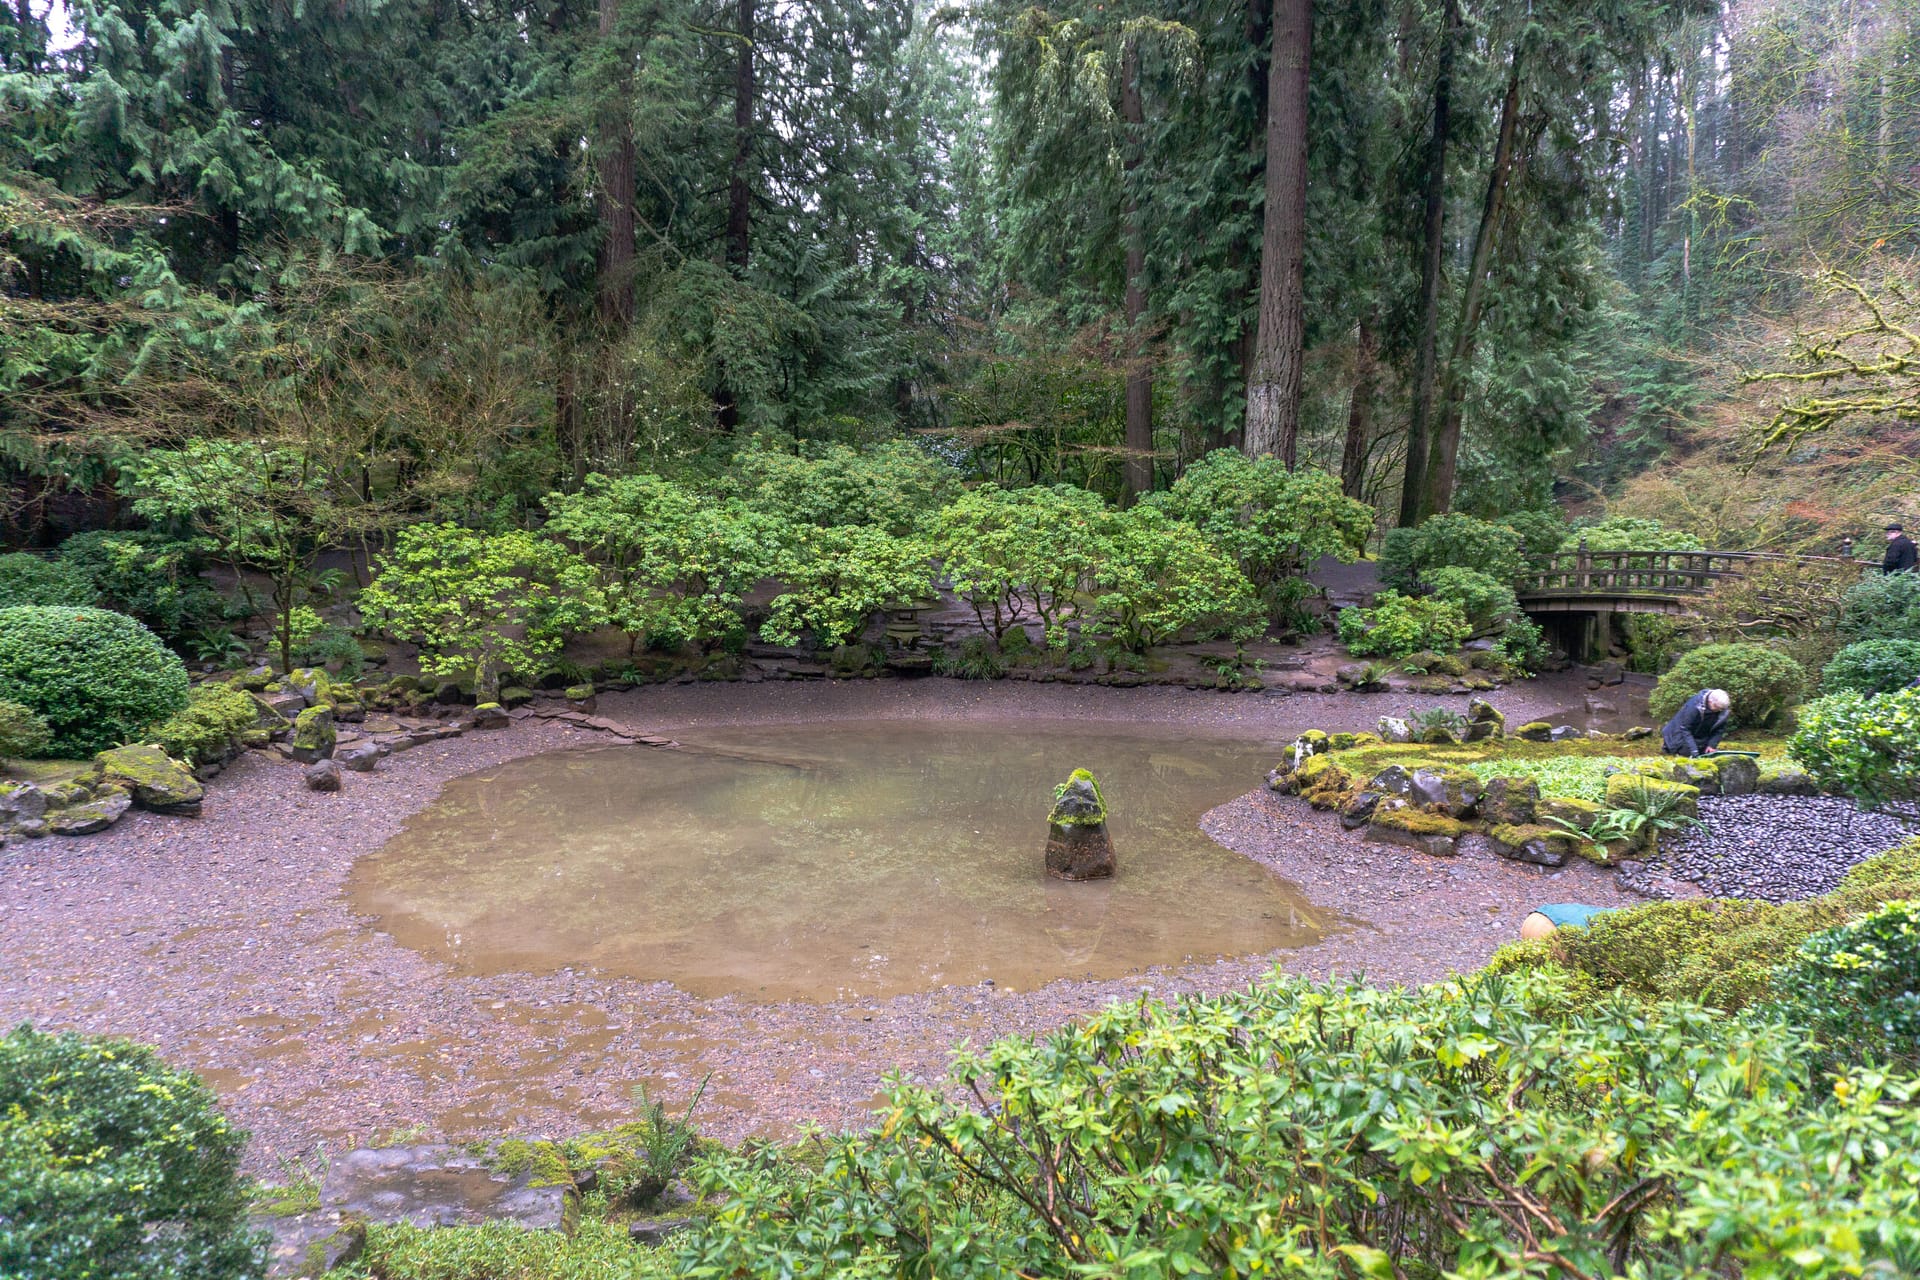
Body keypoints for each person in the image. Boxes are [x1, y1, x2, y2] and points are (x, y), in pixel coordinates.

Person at [1662, 687, 1732, 757]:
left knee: (1709, 755)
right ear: (1710, 701)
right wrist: (1693, 750)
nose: (1719, 710)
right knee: (1688, 754)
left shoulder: (1722, 709)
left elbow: (1719, 730)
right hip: (1679, 734)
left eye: (1721, 709)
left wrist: (1712, 745)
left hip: (1700, 736)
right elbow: (1685, 729)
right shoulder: (1693, 706)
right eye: (1716, 707)